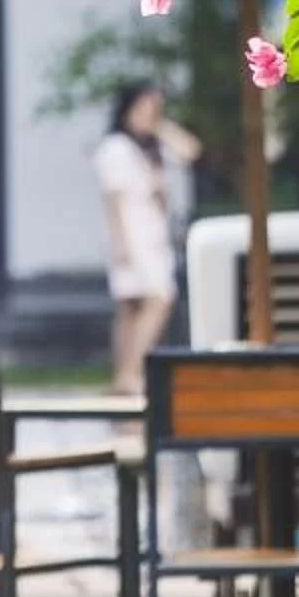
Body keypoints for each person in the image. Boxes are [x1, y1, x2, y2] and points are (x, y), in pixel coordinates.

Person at [94, 81, 200, 394]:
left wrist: (160, 125)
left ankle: (124, 377)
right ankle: (130, 372)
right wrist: (120, 244)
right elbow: (112, 201)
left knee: (136, 307)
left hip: (154, 235)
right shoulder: (115, 148)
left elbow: (191, 150)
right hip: (131, 237)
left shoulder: (154, 146)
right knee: (153, 300)